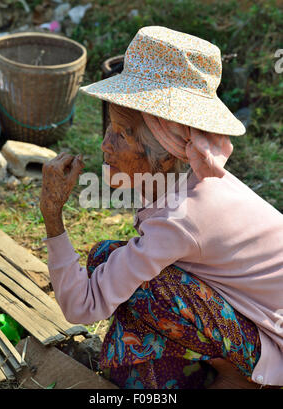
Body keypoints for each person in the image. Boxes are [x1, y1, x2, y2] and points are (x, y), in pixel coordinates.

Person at [40, 26, 283, 389]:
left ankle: (243, 378)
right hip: (252, 314)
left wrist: (52, 215)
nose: (106, 145)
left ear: (168, 151)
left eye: (122, 133)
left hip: (271, 339)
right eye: (109, 126)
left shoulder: (181, 218)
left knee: (143, 286)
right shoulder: (185, 181)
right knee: (107, 258)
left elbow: (83, 308)